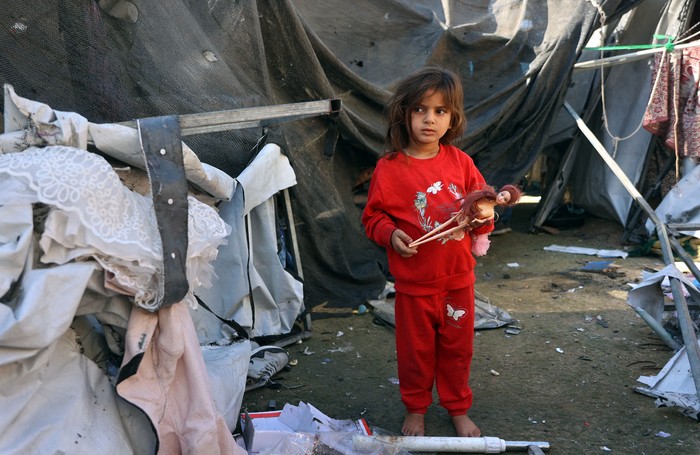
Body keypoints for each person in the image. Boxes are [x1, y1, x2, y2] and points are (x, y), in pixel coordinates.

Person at [361, 66, 491, 438]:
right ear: (405, 113)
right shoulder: (389, 168)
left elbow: (483, 209)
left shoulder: (461, 163)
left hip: (457, 282)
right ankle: (416, 408)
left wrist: (482, 217)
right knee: (415, 354)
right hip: (414, 285)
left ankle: (457, 408)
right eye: (420, 109)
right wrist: (391, 234)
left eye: (440, 111)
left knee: (457, 351)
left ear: (453, 118)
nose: (429, 119)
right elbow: (373, 217)